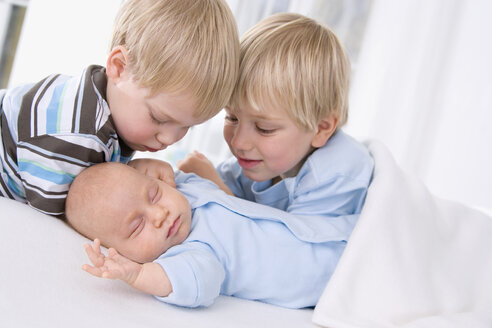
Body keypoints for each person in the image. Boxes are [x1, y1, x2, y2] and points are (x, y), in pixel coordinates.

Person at [0, 0, 239, 217]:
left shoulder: (107, 99)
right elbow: (63, 223)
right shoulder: (76, 138)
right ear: (119, 67)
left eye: (187, 126)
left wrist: (128, 172)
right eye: (158, 118)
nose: (169, 139)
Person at [177, 13, 374, 245]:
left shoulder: (337, 175)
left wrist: (216, 191)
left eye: (264, 128)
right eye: (232, 117)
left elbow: (282, 255)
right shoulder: (253, 166)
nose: (239, 142)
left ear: (321, 129)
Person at [66, 161, 348, 309]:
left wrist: (146, 163)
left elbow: (171, 175)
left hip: (337, 229)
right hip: (329, 280)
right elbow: (198, 283)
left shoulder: (186, 192)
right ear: (128, 253)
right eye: (138, 227)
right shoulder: (187, 254)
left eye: (154, 194)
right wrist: (137, 276)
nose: (159, 214)